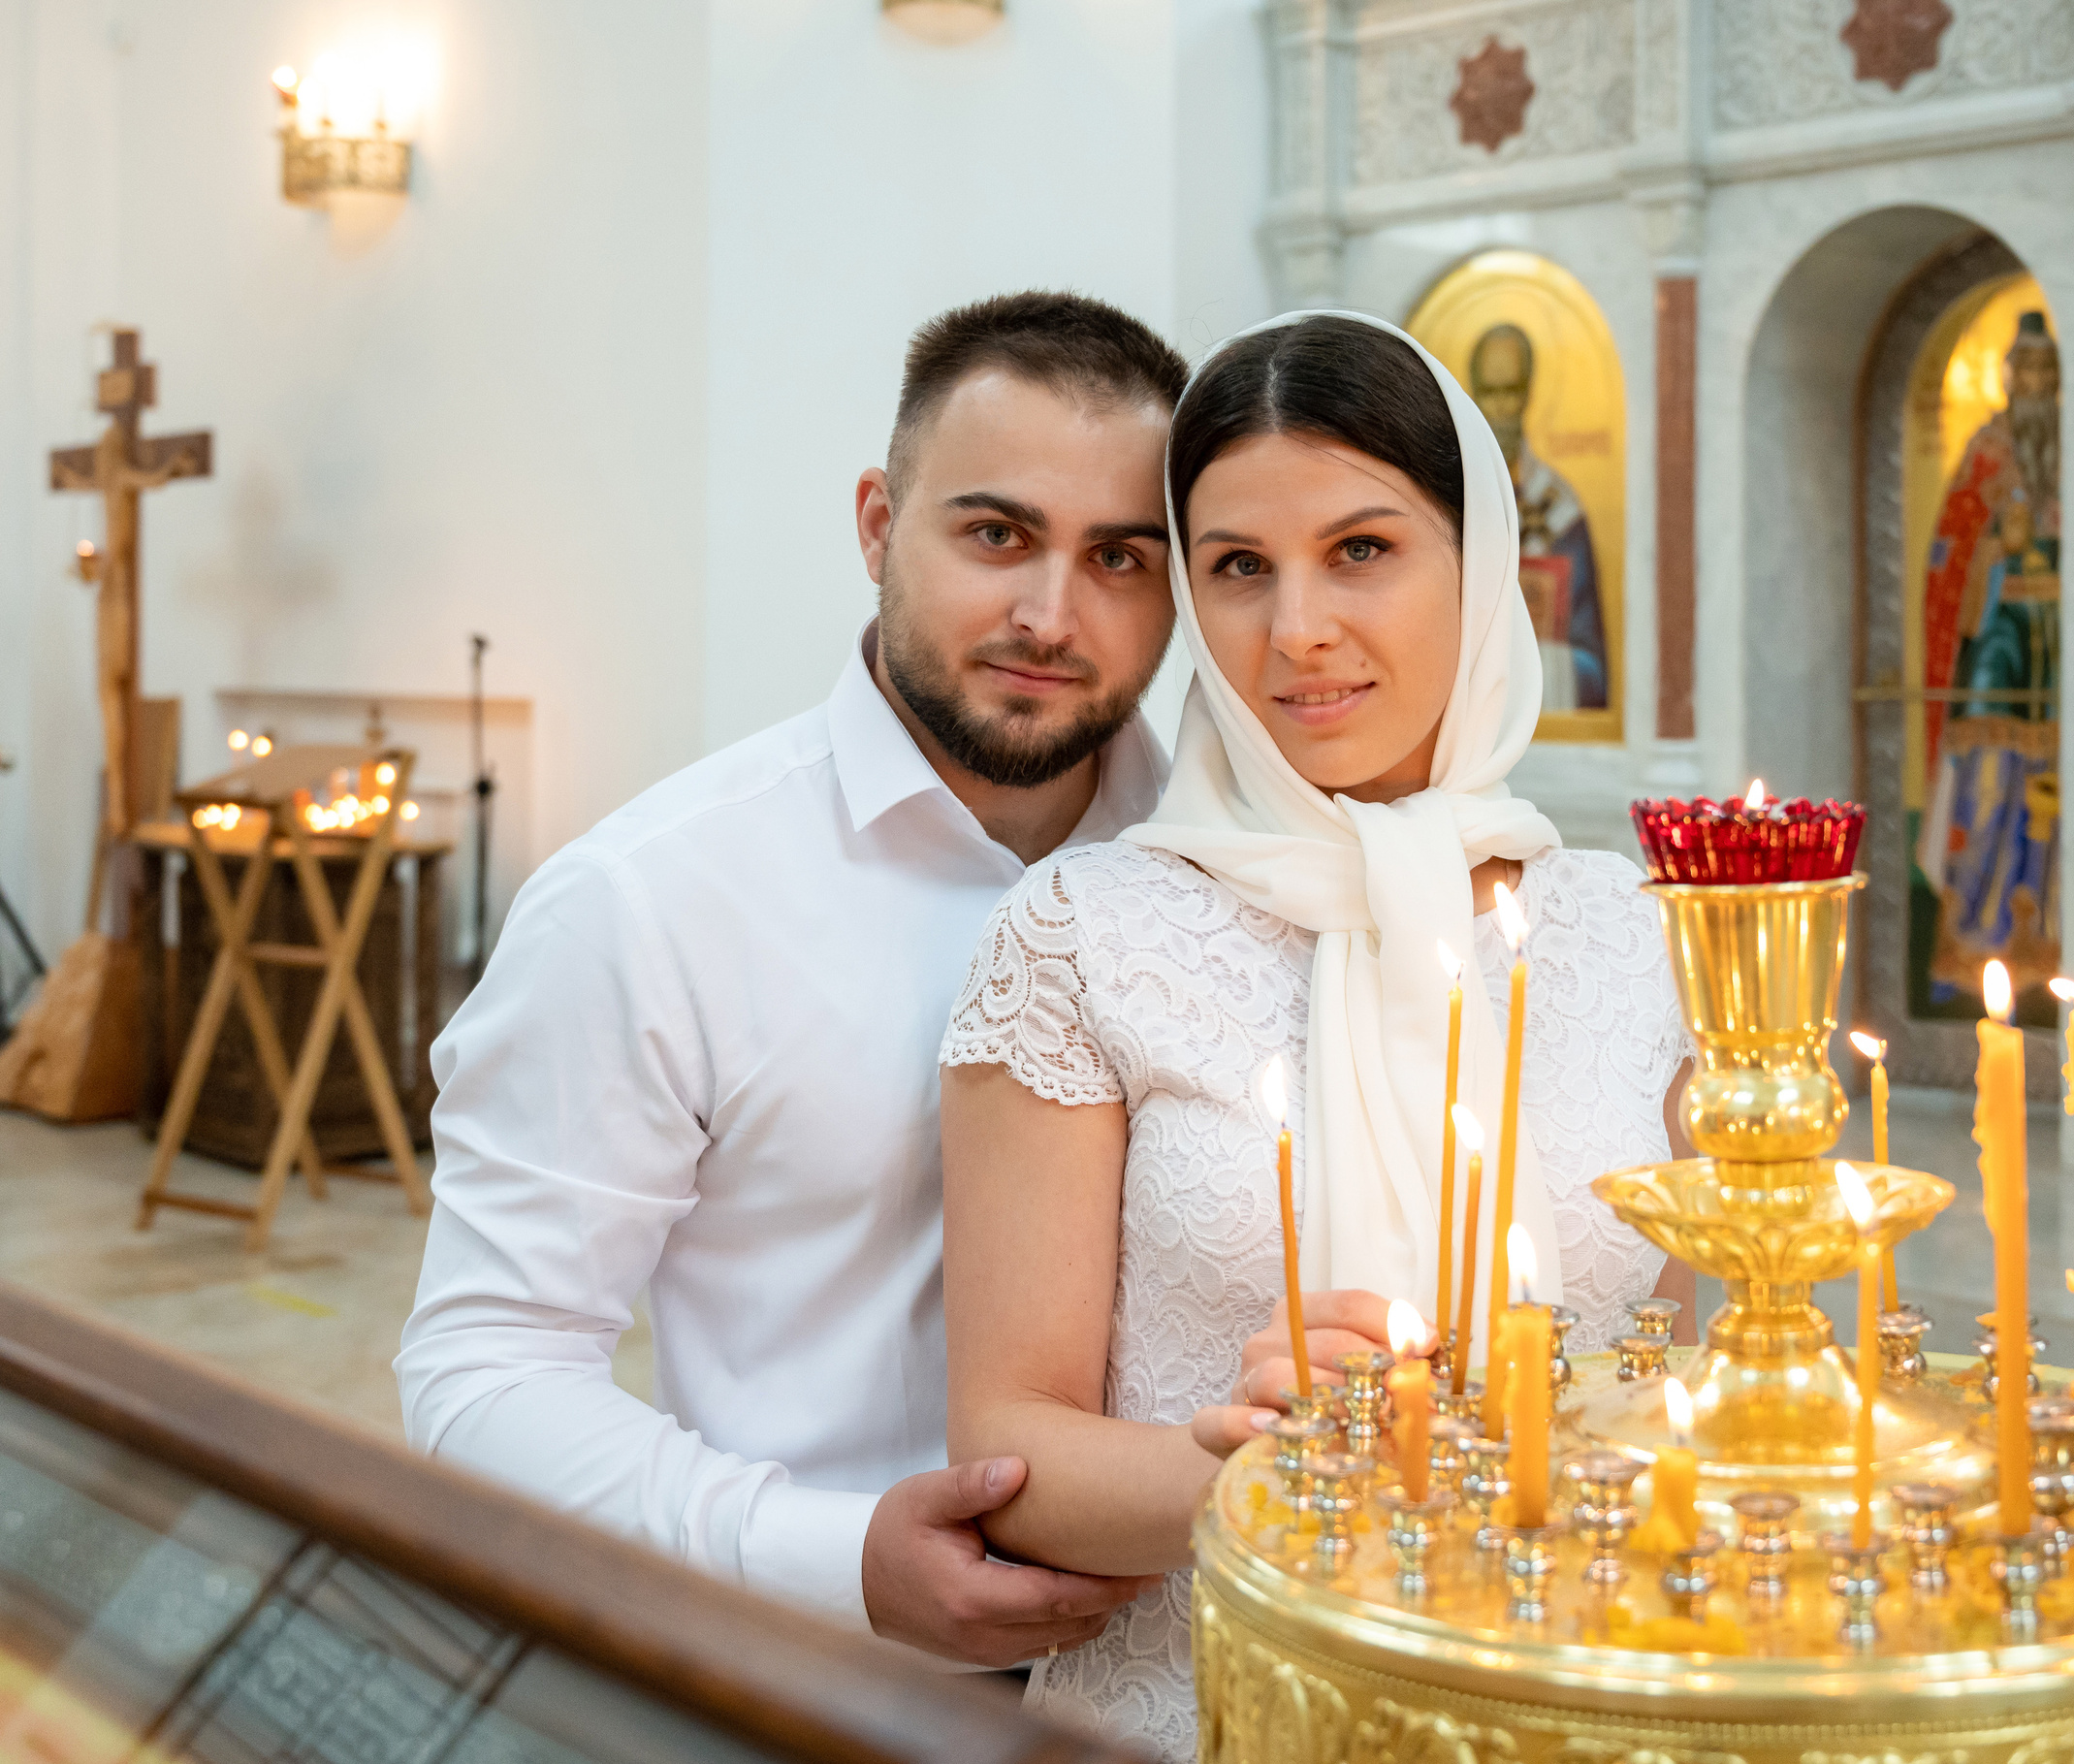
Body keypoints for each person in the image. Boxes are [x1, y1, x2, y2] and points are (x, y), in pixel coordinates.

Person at [938, 311, 1697, 1757]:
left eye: (1362, 548)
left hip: (1585, 1691)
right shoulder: (1086, 932)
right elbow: (1008, 1444)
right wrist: (1251, 1463)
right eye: (1236, 568)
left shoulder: (1635, 933)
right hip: (1211, 1700)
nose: (1297, 633)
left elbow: (1701, 1387)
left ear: (1481, 568)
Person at [395, 292, 1187, 1668]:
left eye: (1119, 556)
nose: (1050, 612)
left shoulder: (1227, 877)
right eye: (994, 533)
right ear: (879, 523)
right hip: (816, 1680)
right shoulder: (647, 899)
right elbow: (483, 1372)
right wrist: (832, 1557)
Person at [1914, 309, 2063, 1006]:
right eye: (2023, 370)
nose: (2032, 382)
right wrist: (1996, 547)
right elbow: (1947, 551)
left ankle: (2047, 941)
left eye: (2045, 371)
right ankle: (1972, 935)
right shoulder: (1985, 450)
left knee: (2054, 793)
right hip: (1998, 644)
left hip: (2064, 649)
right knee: (1990, 784)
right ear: (2007, 377)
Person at [1470, 322, 1610, 713]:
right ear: (1473, 394)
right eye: (1489, 393)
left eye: (1510, 392)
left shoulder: (1559, 512)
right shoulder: (1446, 503)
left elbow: (1593, 672)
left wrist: (1512, 663)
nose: (1499, 409)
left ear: (1529, 393)